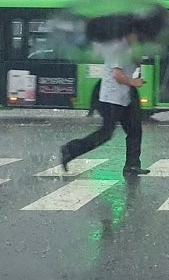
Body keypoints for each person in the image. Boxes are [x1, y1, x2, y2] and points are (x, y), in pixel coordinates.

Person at [61, 31, 149, 176]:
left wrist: (137, 56)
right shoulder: (117, 48)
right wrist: (134, 82)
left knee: (135, 130)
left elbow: (136, 63)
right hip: (112, 98)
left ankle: (132, 166)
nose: (138, 37)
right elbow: (117, 75)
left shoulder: (130, 47)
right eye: (135, 34)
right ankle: (70, 149)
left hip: (125, 96)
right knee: (106, 133)